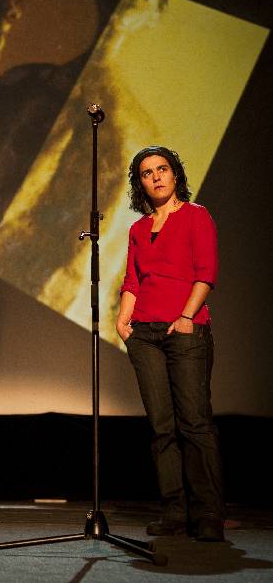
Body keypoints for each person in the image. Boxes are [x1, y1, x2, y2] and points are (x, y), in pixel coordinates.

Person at [116, 145, 225, 542]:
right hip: (144, 335)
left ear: (175, 174)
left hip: (185, 331)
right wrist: (122, 321)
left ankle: (208, 514)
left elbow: (205, 272)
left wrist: (185, 317)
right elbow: (133, 281)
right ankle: (175, 512)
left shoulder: (196, 216)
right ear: (140, 183)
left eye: (162, 169)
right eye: (147, 173)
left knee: (194, 423)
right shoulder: (138, 229)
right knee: (162, 428)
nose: (157, 177)